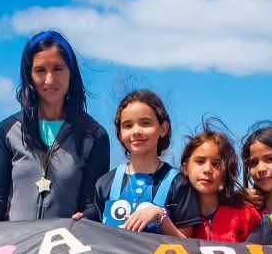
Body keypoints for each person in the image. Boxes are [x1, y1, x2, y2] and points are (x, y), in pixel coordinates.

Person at [0, 31, 110, 222]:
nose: (49, 79)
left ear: (71, 72)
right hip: (16, 248)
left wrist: (85, 217)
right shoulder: (7, 131)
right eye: (40, 70)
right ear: (29, 75)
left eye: (58, 69)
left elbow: (93, 207)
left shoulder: (94, 136)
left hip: (64, 247)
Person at [84, 90, 201, 235]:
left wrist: (161, 217)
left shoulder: (178, 185)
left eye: (145, 123)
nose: (136, 131)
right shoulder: (105, 183)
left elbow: (188, 248)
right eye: (127, 125)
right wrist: (79, 223)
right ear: (119, 134)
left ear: (163, 129)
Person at [179, 123, 262, 242]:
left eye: (216, 164)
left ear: (225, 173)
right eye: (200, 161)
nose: (207, 170)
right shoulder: (174, 217)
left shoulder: (246, 214)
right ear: (185, 168)